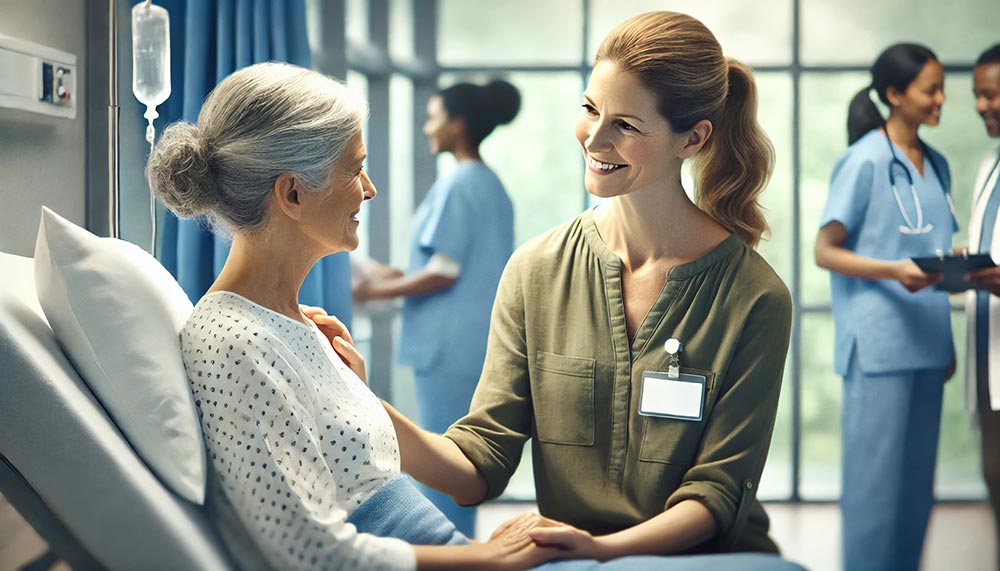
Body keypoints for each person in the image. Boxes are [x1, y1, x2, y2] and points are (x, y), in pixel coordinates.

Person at [376, 11, 797, 565]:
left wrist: (603, 549)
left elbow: (715, 495)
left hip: (702, 559)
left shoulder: (755, 297)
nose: (594, 138)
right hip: (577, 558)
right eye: (590, 109)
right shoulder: (536, 270)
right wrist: (363, 408)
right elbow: (479, 466)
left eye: (626, 124)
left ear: (692, 138)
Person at [146, 61, 559, 571]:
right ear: (292, 193)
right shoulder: (233, 343)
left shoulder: (299, 326)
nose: (369, 189)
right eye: (354, 167)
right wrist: (487, 558)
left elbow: (371, 468)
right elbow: (310, 553)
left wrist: (356, 395)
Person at [352, 80, 520, 536]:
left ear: (458, 123)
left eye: (434, 116)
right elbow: (439, 264)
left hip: (448, 347)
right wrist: (386, 275)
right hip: (469, 341)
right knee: (458, 459)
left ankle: (451, 555)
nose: (427, 126)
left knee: (447, 463)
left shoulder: (460, 183)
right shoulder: (487, 185)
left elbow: (443, 273)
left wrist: (372, 294)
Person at [814, 43, 954, 571]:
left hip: (928, 342)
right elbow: (825, 250)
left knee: (917, 490)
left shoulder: (936, 164)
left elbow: (926, 243)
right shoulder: (865, 159)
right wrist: (894, 270)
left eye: (942, 89)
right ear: (895, 95)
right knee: (874, 489)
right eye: (930, 90)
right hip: (878, 346)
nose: (941, 99)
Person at [964, 43, 1000, 566]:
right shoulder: (989, 166)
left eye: (992, 93)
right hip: (989, 368)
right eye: (978, 95)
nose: (981, 105)